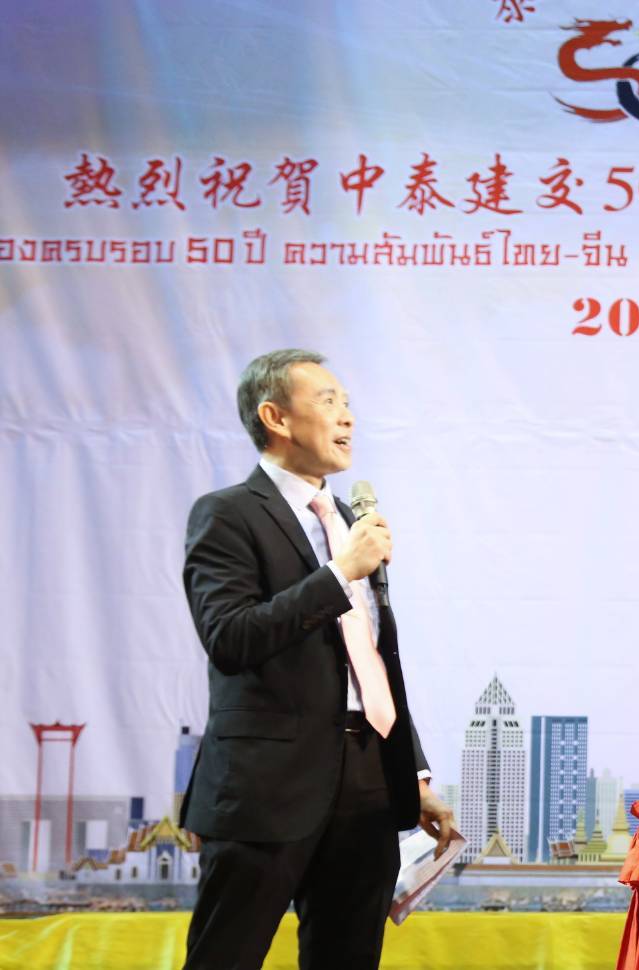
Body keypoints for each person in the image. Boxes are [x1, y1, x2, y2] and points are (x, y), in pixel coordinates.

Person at [179, 349, 455, 969]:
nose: (347, 417)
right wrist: (339, 573)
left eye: (348, 403)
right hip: (266, 785)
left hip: (368, 781)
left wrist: (410, 772)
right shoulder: (227, 514)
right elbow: (229, 638)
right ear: (275, 417)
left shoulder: (352, 520)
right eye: (328, 401)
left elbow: (371, 659)